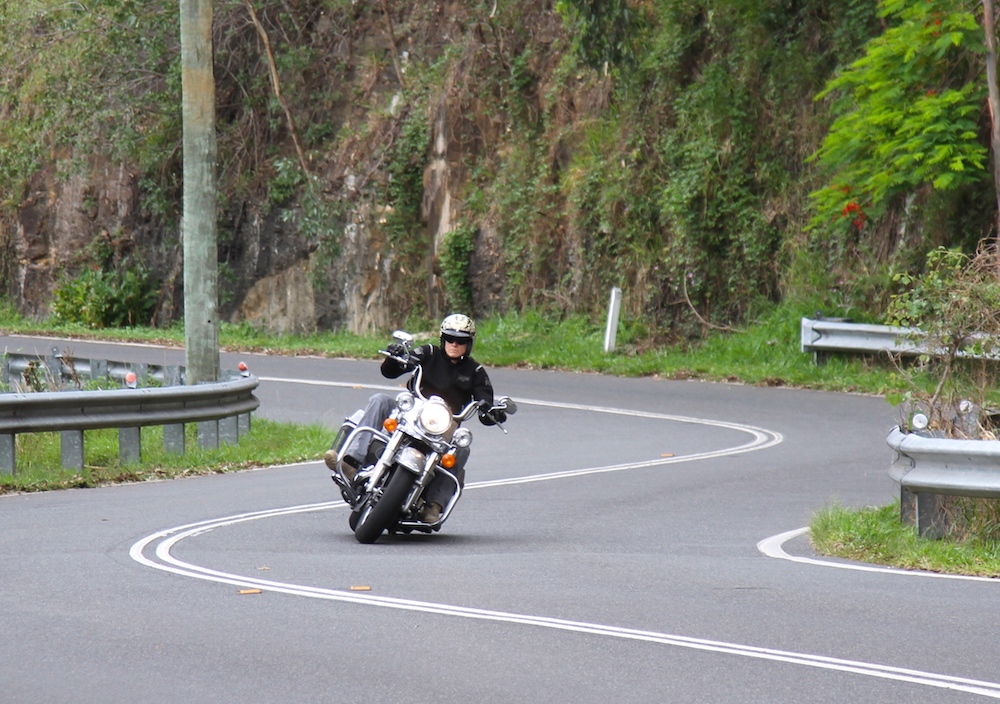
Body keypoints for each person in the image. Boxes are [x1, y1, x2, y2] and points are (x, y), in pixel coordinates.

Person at [324, 313, 505, 523]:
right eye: (450, 339)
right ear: (442, 339)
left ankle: (434, 505)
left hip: (445, 425)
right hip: (413, 410)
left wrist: (492, 410)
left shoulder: (476, 371)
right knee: (380, 399)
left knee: (462, 448)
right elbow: (394, 369)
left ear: (469, 343)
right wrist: (395, 357)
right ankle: (351, 461)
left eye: (461, 341)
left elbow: (486, 400)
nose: (455, 344)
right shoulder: (429, 353)